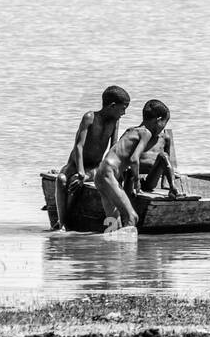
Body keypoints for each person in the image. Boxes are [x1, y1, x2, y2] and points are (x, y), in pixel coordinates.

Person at [53, 85, 129, 230]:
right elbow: (79, 146)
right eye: (123, 108)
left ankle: (66, 223)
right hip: (76, 164)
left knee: (76, 181)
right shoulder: (89, 118)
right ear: (112, 106)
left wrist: (116, 170)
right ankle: (61, 222)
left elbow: (113, 148)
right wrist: (81, 171)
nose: (124, 113)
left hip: (95, 167)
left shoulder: (114, 122)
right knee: (61, 179)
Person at [95, 99, 172, 233]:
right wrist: (137, 183)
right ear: (158, 120)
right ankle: (128, 252)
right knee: (132, 217)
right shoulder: (146, 133)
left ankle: (110, 251)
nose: (163, 128)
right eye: (165, 123)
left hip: (101, 173)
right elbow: (134, 159)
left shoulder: (132, 131)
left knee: (115, 222)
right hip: (109, 173)